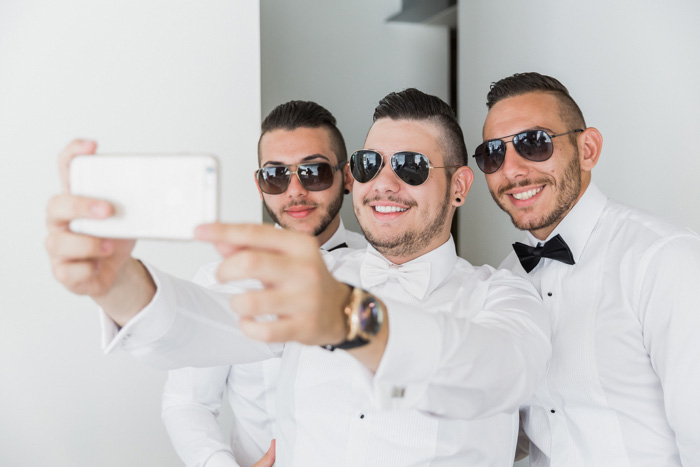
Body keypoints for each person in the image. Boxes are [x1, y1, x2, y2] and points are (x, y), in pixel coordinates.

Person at [46, 88, 551, 465]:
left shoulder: (502, 295)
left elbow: (497, 371)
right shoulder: (314, 277)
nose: (385, 184)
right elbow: (206, 324)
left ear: (460, 185)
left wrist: (349, 319)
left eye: (413, 166)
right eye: (371, 164)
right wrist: (116, 282)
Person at [473, 72, 700, 465]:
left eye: (534, 143)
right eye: (493, 154)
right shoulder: (503, 282)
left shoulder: (664, 260)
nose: (511, 170)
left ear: (588, 149)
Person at [161, 100, 366, 467]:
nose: (295, 191)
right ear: (259, 185)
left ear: (347, 177)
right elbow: (187, 402)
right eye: (276, 176)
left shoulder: (384, 272)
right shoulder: (223, 280)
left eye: (314, 172)